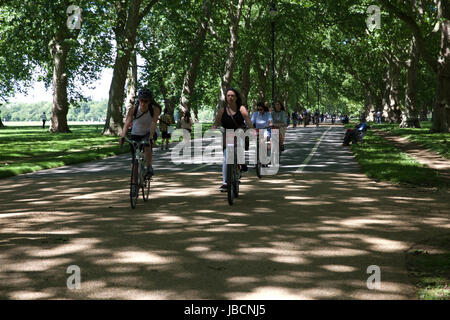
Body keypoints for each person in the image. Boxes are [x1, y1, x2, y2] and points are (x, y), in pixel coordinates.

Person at [211, 88, 253, 192]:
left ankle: (241, 162)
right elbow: (216, 123)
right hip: (228, 133)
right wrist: (213, 129)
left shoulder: (241, 108)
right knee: (226, 157)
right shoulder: (222, 110)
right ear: (226, 98)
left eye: (232, 95)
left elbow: (248, 121)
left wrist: (252, 130)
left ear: (236, 97)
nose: (230, 97)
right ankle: (225, 183)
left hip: (239, 131)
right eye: (228, 95)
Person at [119, 88, 161, 177]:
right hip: (136, 133)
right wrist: (122, 137)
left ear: (149, 101)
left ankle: (149, 166)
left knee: (146, 145)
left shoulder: (155, 109)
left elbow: (154, 123)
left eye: (145, 101)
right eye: (141, 100)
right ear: (139, 100)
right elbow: (127, 123)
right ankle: (134, 186)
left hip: (149, 132)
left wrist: (151, 138)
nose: (143, 103)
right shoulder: (134, 109)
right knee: (134, 159)